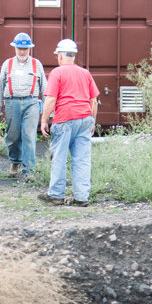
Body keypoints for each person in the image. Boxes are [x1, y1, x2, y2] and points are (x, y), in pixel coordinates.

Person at [39, 39, 99, 206]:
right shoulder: (85, 73)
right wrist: (92, 120)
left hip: (65, 119)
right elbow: (93, 99)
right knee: (82, 159)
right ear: (73, 56)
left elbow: (51, 99)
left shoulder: (57, 73)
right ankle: (81, 197)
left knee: (59, 157)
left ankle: (56, 195)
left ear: (60, 57)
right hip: (85, 118)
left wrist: (44, 120)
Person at [0, 32, 46, 178]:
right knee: (12, 137)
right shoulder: (8, 64)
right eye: (19, 48)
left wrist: (50, 111)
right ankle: (15, 161)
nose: (22, 52)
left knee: (29, 136)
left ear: (29, 49)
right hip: (12, 103)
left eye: (25, 49)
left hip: (31, 103)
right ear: (15, 48)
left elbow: (44, 88)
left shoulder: (37, 64)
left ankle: (29, 170)